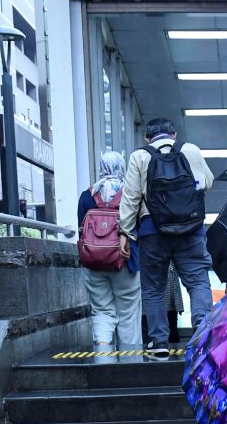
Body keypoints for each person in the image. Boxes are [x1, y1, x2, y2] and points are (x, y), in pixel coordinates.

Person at [118, 117, 216, 361]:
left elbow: (130, 198)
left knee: (153, 288)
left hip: (153, 230)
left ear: (147, 138)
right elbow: (208, 182)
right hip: (191, 230)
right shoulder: (190, 150)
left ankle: (159, 343)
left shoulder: (140, 156)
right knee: (198, 282)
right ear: (173, 135)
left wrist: (125, 233)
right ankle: (203, 333)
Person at [78, 151, 141, 355]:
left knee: (102, 311)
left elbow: (81, 229)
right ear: (122, 167)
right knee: (128, 313)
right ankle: (129, 361)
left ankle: (103, 356)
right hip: (124, 259)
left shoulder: (87, 195)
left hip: (94, 263)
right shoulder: (129, 193)